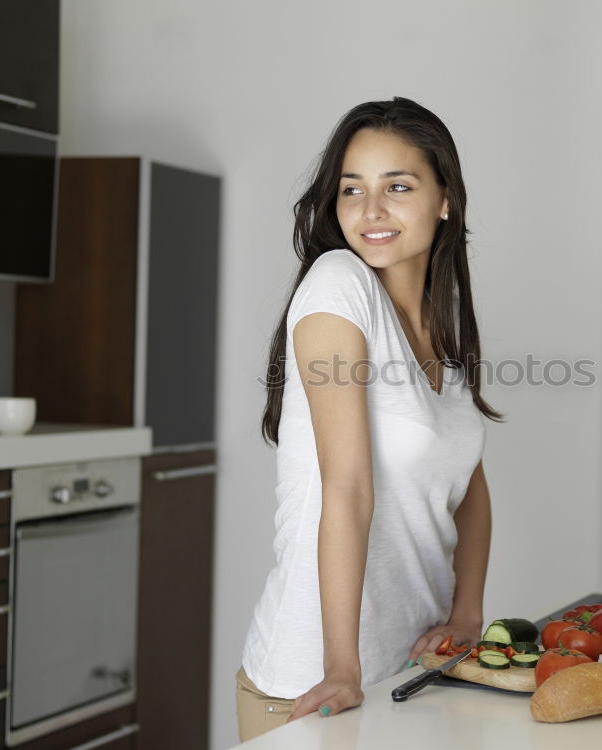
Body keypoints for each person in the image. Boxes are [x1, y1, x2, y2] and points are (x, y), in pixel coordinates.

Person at [237, 97, 503, 741]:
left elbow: (469, 489)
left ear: (446, 200)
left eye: (399, 186)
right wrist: (340, 666)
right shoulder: (339, 284)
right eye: (352, 189)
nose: (370, 210)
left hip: (410, 670)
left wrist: (467, 616)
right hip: (315, 681)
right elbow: (348, 485)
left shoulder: (442, 326)